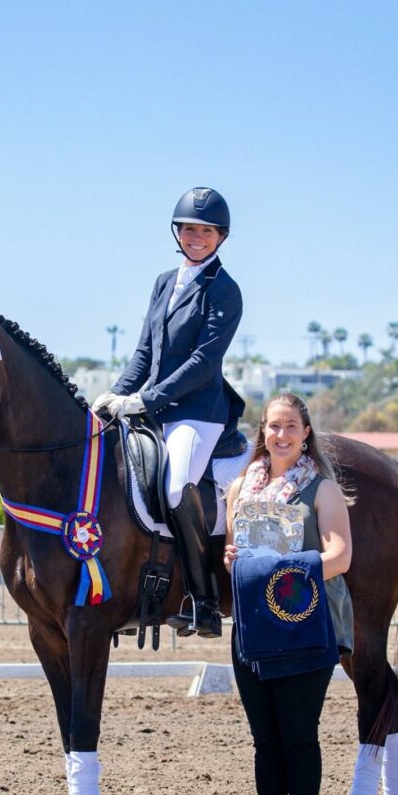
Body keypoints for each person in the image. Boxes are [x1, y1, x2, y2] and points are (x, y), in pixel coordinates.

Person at [94, 187, 244, 638]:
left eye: (206, 231)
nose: (196, 238)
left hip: (198, 414)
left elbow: (203, 363)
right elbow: (145, 352)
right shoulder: (163, 282)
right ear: (177, 233)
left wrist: (145, 400)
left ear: (221, 237)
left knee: (177, 487)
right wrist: (115, 395)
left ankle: (204, 603)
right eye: (189, 229)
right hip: (156, 411)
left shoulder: (225, 290)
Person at [224, 393, 353, 795]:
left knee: (299, 736)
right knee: (265, 740)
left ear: (305, 434)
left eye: (291, 426)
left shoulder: (323, 490)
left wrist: (284, 567)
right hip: (253, 629)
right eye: (274, 426)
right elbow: (234, 554)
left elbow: (341, 556)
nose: (281, 435)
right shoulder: (240, 489)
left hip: (306, 628)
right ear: (263, 431)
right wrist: (233, 560)